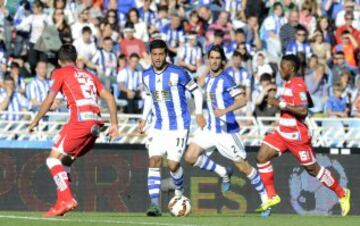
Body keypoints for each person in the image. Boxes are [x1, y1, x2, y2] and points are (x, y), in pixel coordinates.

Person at [28, 44, 119, 217]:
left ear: (59, 61)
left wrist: (35, 120)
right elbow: (109, 97)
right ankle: (61, 203)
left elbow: (49, 100)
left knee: (52, 160)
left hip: (79, 121)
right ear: (76, 60)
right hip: (95, 126)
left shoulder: (60, 73)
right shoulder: (90, 75)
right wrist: (115, 124)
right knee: (66, 162)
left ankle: (67, 198)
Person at [255, 54, 351, 216]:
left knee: (313, 170)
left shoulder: (297, 84)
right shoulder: (288, 83)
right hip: (282, 133)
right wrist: (301, 100)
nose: (280, 69)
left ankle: (342, 193)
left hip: (297, 137)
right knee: (261, 157)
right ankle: (272, 196)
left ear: (291, 68)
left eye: (282, 66)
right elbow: (308, 103)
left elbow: (304, 111)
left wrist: (280, 104)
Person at [184, 45, 270, 216]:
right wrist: (199, 113)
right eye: (212, 57)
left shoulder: (226, 79)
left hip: (226, 132)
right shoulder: (207, 78)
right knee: (190, 157)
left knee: (244, 168)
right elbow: (198, 94)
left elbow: (242, 100)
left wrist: (224, 111)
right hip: (210, 129)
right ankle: (223, 172)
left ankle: (266, 200)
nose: (214, 61)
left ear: (222, 60)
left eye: (217, 58)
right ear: (208, 59)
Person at [137, 39, 205, 217]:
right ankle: (154, 205)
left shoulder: (178, 73)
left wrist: (198, 113)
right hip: (158, 125)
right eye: (154, 54)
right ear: (150, 56)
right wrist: (144, 119)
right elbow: (149, 98)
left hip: (179, 125)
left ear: (166, 54)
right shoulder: (145, 75)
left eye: (161, 54)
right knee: (154, 161)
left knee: (173, 165)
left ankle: (179, 194)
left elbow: (197, 91)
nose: (158, 58)